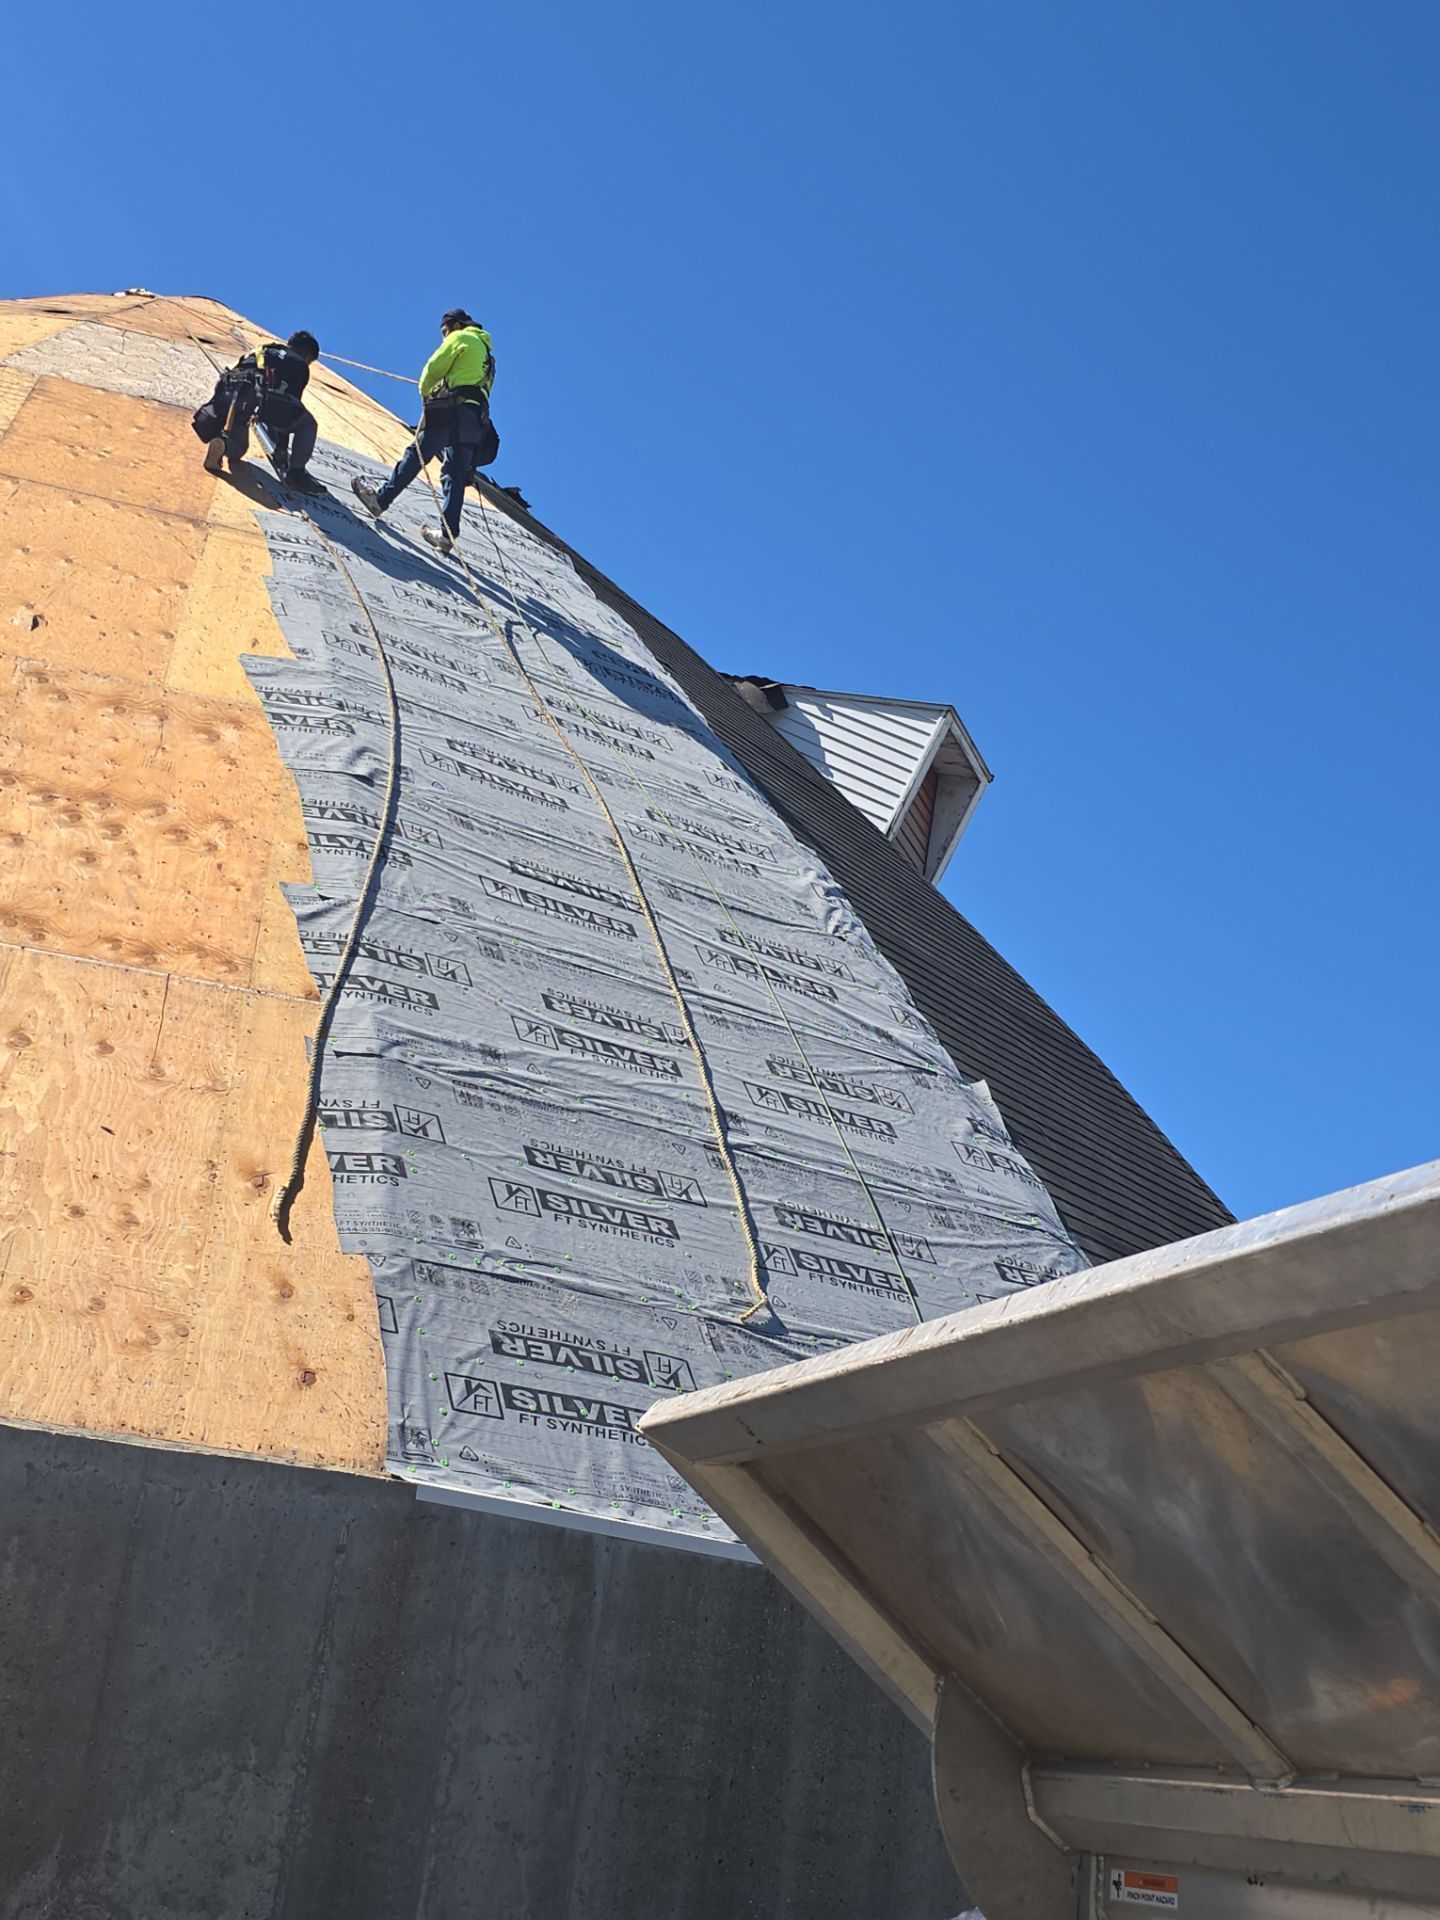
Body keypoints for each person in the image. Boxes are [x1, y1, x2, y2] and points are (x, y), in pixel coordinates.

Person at [351, 309, 495, 554]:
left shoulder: (461, 337)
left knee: (417, 452)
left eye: (444, 331)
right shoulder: (487, 355)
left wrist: (427, 391)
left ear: (455, 325)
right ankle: (447, 534)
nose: (444, 336)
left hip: (452, 412)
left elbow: (432, 369)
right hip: (474, 420)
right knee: (455, 473)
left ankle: (381, 499)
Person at [192, 331, 325, 495]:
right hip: (259, 400)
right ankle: (296, 474)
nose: (308, 363)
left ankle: (223, 444)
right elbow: (292, 407)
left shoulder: (261, 349)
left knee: (240, 448)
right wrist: (281, 448)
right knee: (307, 424)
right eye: (310, 360)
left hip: (229, 393)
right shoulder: (298, 364)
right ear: (306, 354)